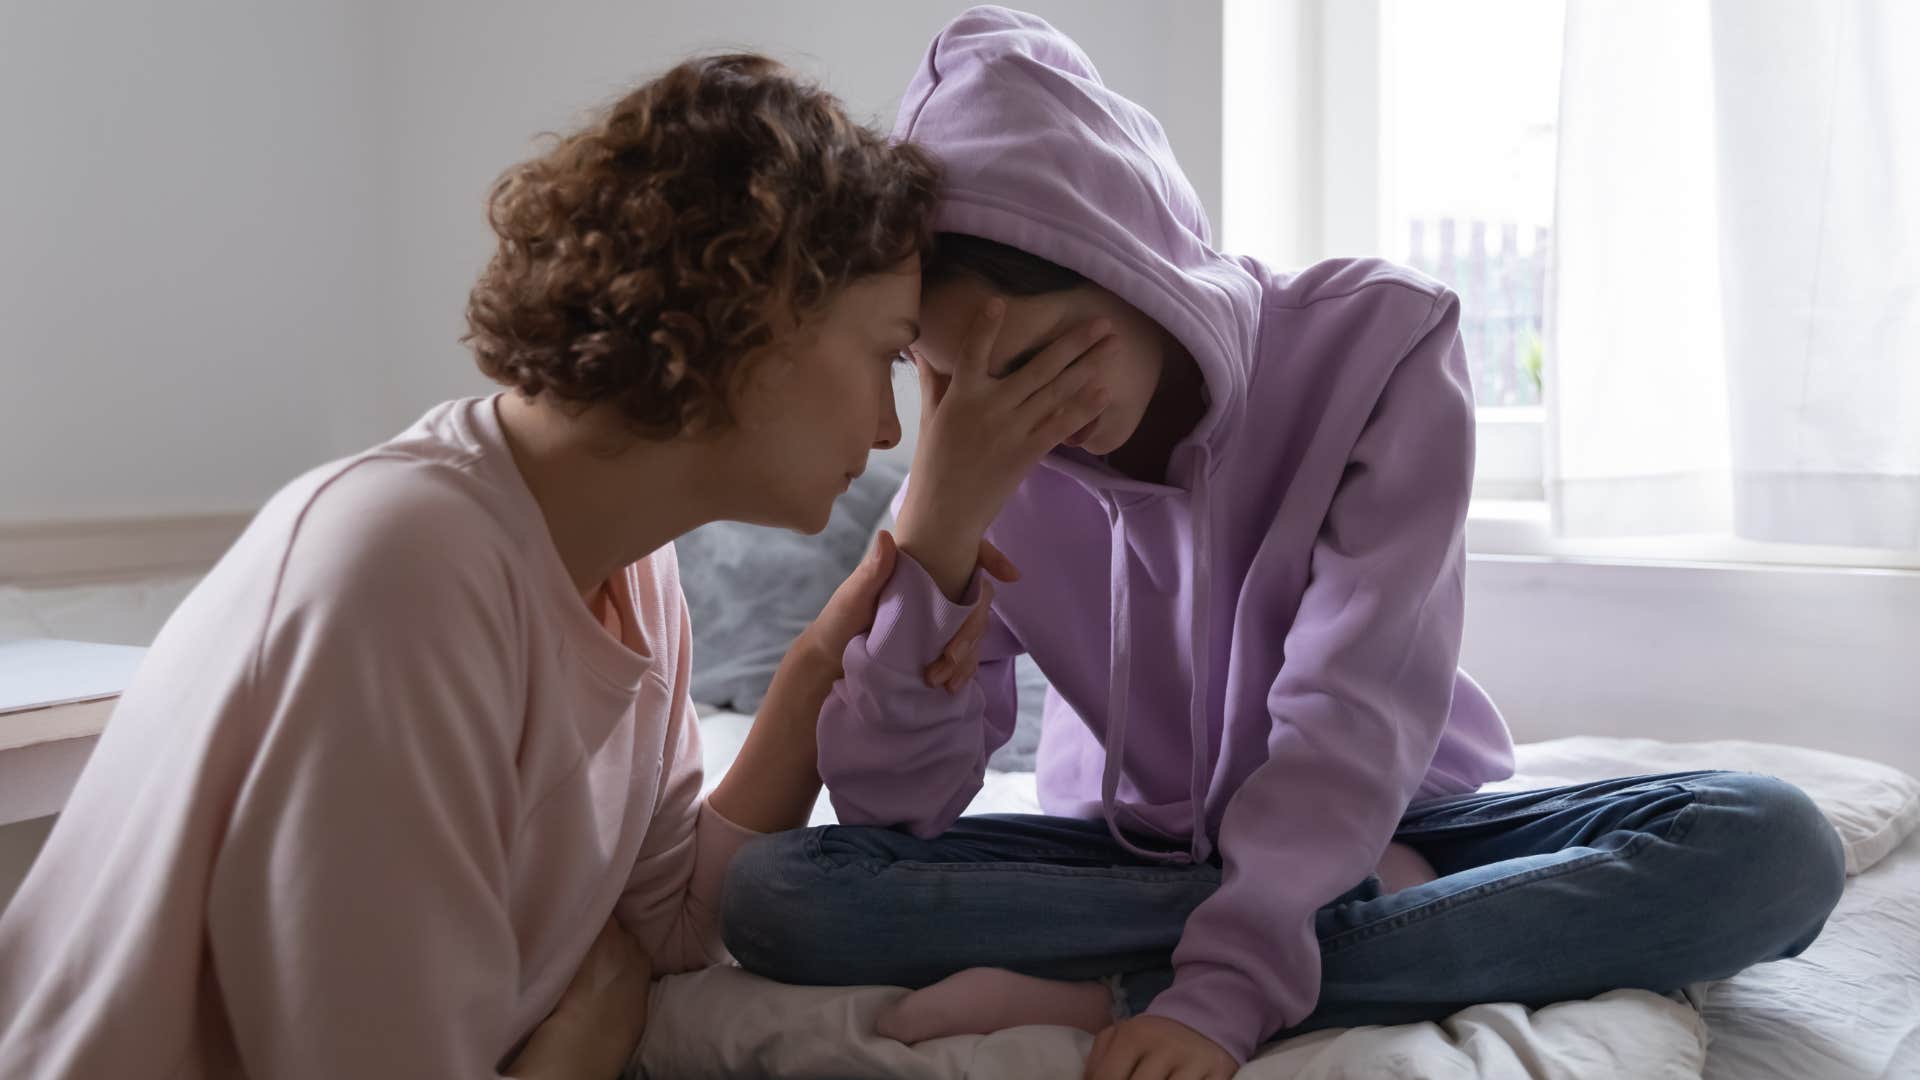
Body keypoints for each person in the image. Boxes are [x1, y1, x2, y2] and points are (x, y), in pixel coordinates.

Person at [720, 10, 1848, 1079]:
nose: (1028, 416)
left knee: (1774, 846)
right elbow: (892, 812)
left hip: (1400, 815)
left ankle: (1110, 982)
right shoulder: (981, 455)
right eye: (956, 378)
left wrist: (1218, 990)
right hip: (1131, 853)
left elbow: (1346, 711)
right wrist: (934, 539)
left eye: (1054, 357)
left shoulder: (1380, 349)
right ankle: (1347, 932)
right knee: (777, 895)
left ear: (1134, 264)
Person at [0, 53, 1092, 1079]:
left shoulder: (632, 573)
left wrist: (818, 665)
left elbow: (668, 920)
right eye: (889, 354)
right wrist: (587, 1041)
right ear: (757, 317)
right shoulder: (402, 568)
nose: (891, 427)